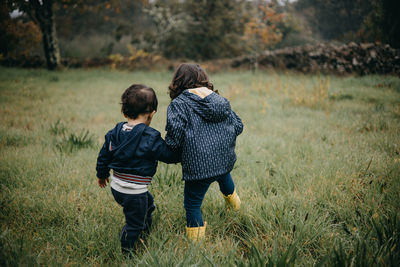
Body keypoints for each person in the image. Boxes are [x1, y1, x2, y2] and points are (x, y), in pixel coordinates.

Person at [96, 84, 180, 254]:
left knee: (148, 204)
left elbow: (103, 155)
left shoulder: (114, 132)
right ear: (152, 113)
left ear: (125, 113)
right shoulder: (150, 137)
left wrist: (102, 174)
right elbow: (169, 157)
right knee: (134, 223)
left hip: (117, 187)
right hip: (134, 192)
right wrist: (179, 144)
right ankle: (127, 251)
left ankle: (145, 228)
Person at [165, 63, 243, 241]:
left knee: (192, 204)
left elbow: (175, 138)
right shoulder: (220, 101)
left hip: (199, 166)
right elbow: (238, 125)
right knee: (225, 179)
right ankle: (236, 209)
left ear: (178, 82)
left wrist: (170, 149)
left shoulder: (179, 104)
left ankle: (196, 244)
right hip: (223, 160)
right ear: (204, 80)